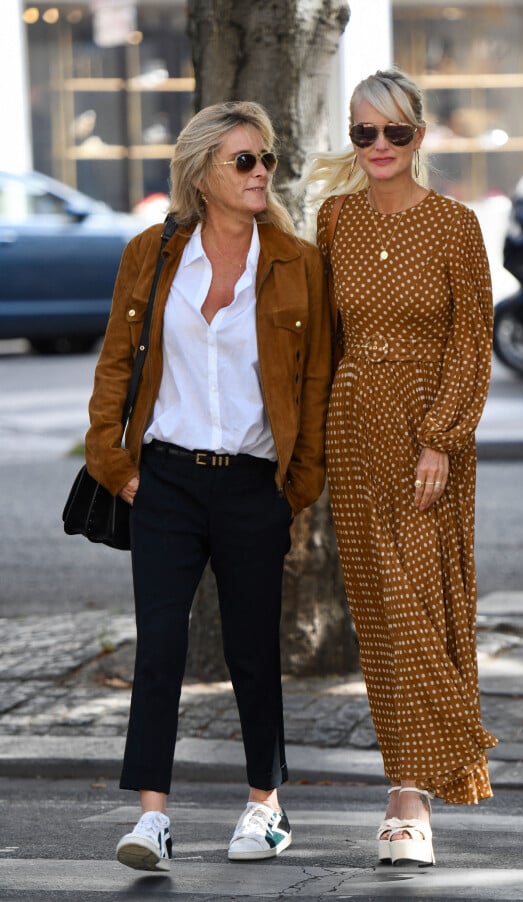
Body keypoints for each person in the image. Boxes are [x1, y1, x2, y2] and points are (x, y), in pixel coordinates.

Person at [85, 100, 331, 871]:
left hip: (254, 485)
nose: (263, 173)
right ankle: (152, 817)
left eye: (266, 160)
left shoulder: (296, 262)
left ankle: (266, 805)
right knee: (159, 647)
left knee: (253, 652)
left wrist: (296, 488)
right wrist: (115, 466)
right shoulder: (151, 256)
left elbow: (316, 378)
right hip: (164, 483)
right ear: (203, 174)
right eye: (245, 161)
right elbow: (117, 364)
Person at [304, 67, 497, 866]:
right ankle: (406, 792)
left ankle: (429, 774)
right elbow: (325, 339)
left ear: (420, 135)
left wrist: (441, 438)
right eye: (362, 132)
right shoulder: (335, 219)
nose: (378, 146)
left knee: (423, 600)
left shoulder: (455, 225)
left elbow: (472, 339)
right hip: (354, 430)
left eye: (394, 131)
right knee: (380, 616)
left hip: (427, 438)